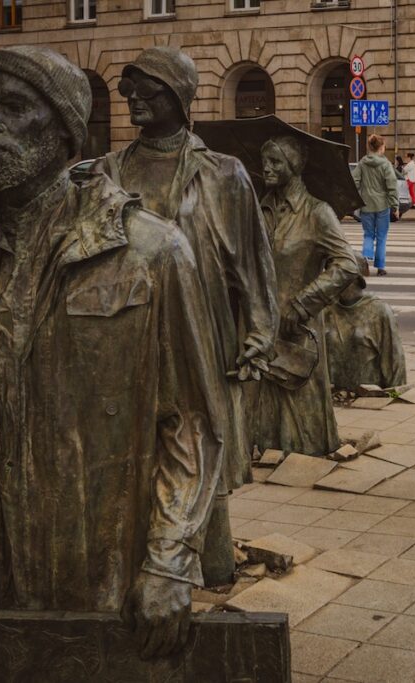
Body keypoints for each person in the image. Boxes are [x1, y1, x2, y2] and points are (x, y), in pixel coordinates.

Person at [0, 46, 225, 659]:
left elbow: (192, 421)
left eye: (13, 107)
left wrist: (170, 564)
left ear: (63, 129)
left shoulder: (151, 252)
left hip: (89, 568)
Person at [95, 46, 278, 586]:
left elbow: (253, 260)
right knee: (132, 449)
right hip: (126, 330)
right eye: (131, 90)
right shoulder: (109, 170)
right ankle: (143, 568)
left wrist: (260, 334)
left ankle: (212, 565)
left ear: (178, 94)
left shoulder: (223, 174)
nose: (135, 100)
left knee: (201, 443)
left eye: (148, 89)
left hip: (203, 330)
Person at [256, 136, 360, 457]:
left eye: (275, 162)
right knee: (260, 397)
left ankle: (304, 447)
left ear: (295, 166)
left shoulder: (317, 213)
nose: (266, 168)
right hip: (261, 323)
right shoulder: (258, 209)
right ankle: (264, 446)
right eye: (265, 161)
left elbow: (346, 265)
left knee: (299, 397)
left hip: (299, 325)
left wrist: (303, 304)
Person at [325, 252, 407, 392]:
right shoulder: (325, 310)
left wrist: (392, 399)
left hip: (369, 400)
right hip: (334, 400)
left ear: (355, 278)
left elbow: (395, 366)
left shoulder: (378, 311)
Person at [352, 134, 399, 276]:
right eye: (384, 146)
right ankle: (380, 267)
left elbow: (355, 182)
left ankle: (364, 261)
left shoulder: (362, 163)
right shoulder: (385, 165)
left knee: (368, 235)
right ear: (381, 148)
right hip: (383, 205)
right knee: (381, 236)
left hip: (366, 205)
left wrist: (357, 198)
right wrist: (395, 206)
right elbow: (392, 185)